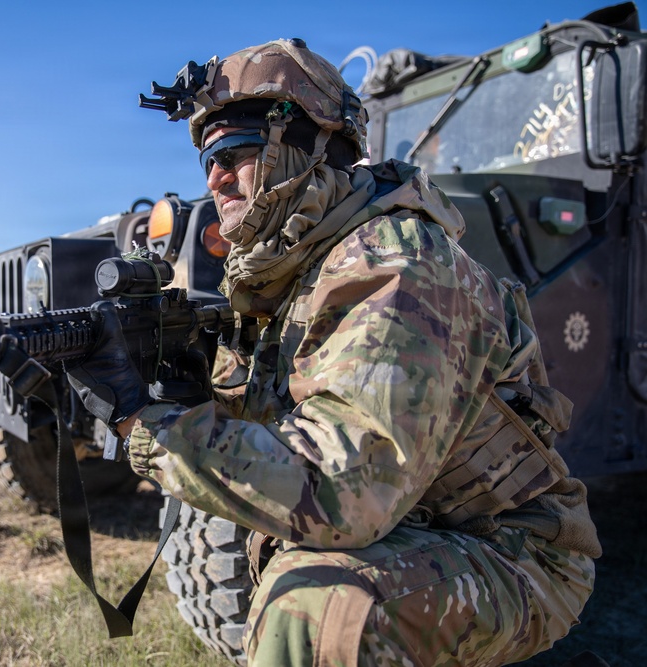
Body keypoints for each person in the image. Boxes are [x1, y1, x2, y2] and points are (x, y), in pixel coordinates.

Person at [65, 38, 601, 666]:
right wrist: (179, 386)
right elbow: (269, 440)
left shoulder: (397, 263)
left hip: (510, 547)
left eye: (234, 151)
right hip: (413, 521)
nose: (214, 177)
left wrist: (143, 422)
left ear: (310, 150)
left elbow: (343, 493)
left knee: (315, 612)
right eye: (206, 158)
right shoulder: (293, 274)